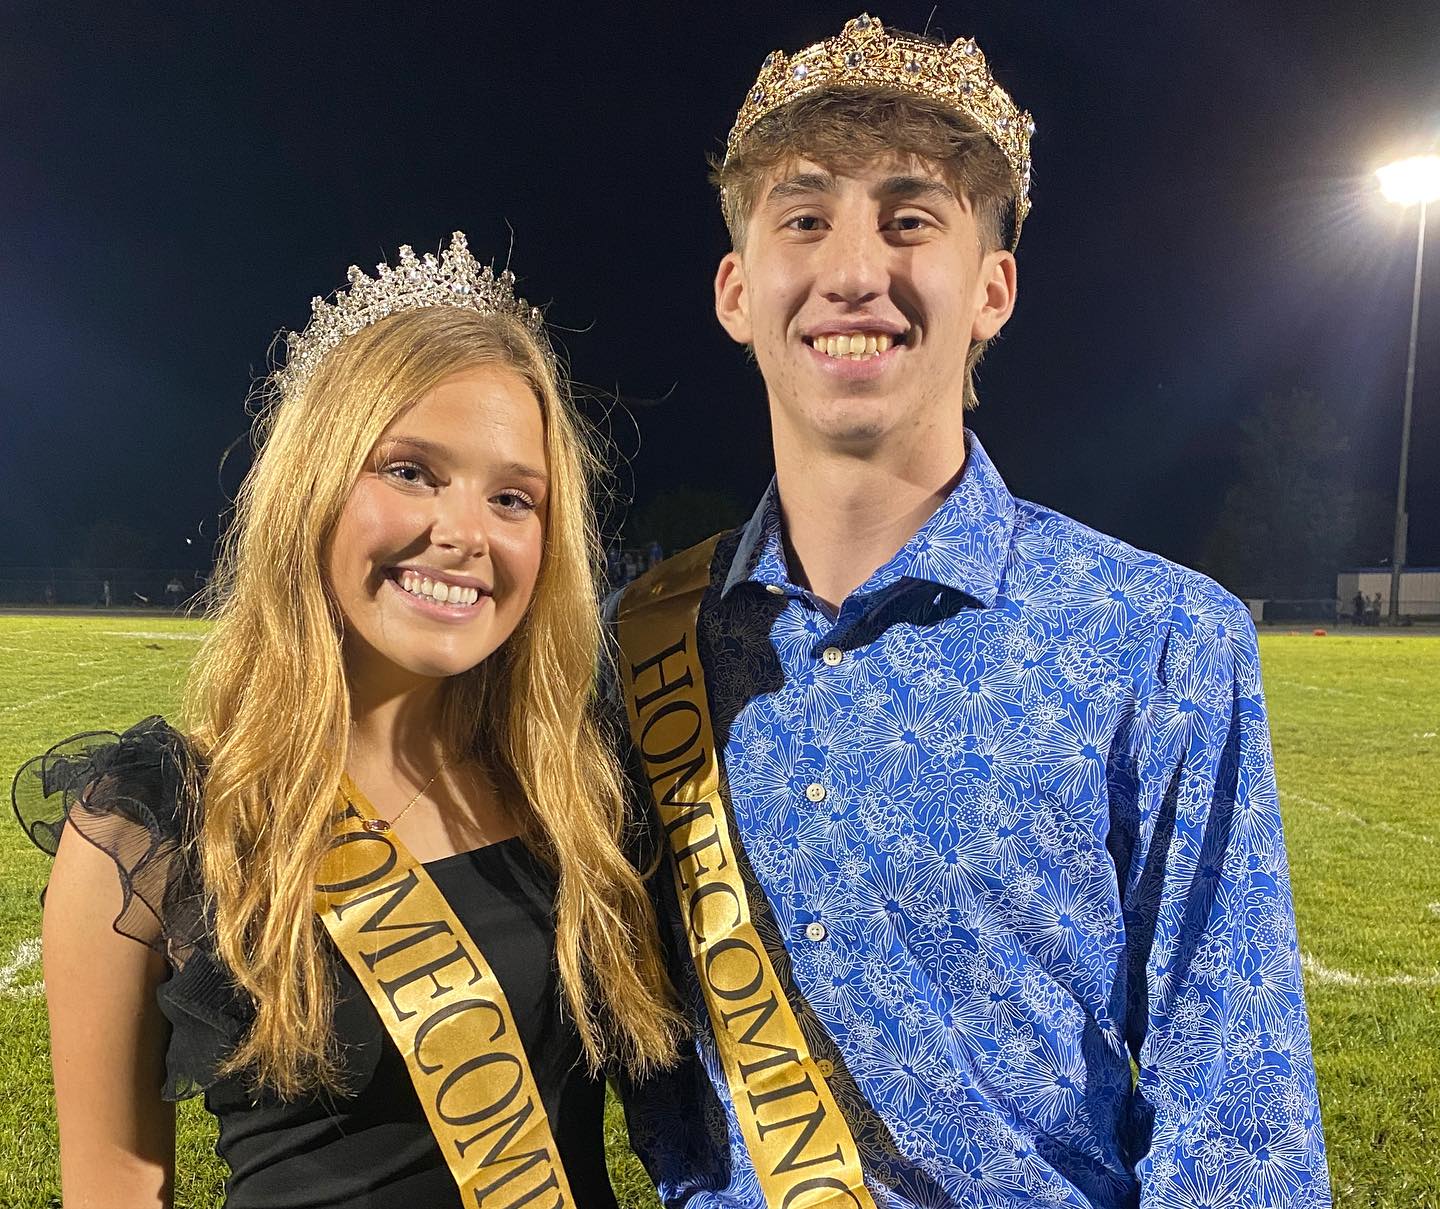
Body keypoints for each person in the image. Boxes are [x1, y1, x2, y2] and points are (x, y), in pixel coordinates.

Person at [614, 16, 1329, 1208]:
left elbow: (1239, 1121)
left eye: (910, 219)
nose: (853, 270)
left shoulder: (1159, 638)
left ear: (992, 286)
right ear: (737, 290)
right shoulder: (637, 644)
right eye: (804, 219)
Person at [15, 232, 681, 1209]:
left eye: (512, 497)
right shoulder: (153, 825)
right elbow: (111, 1188)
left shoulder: (576, 788)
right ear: (313, 488)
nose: (462, 533)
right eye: (410, 471)